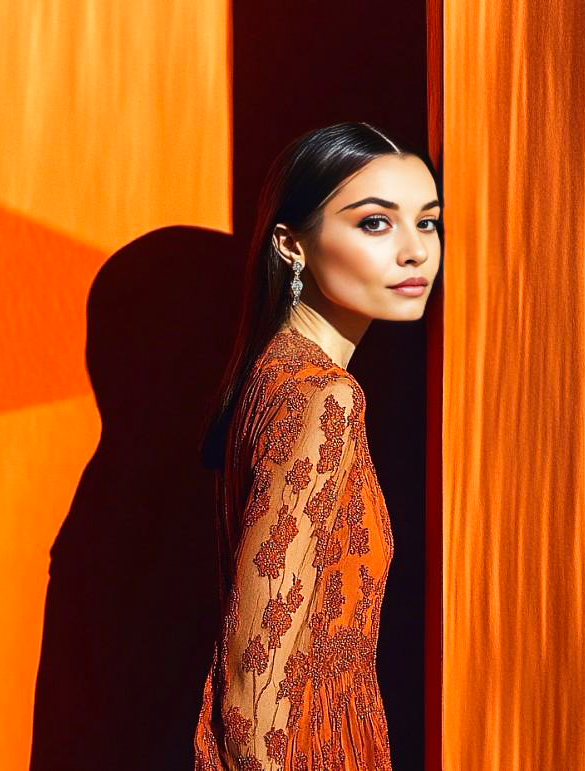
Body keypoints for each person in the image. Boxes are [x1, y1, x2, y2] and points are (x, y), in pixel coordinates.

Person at [192, 122, 442, 770]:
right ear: (290, 244)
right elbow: (251, 687)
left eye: (426, 222)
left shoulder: (274, 376)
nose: (414, 250)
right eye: (375, 224)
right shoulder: (321, 397)